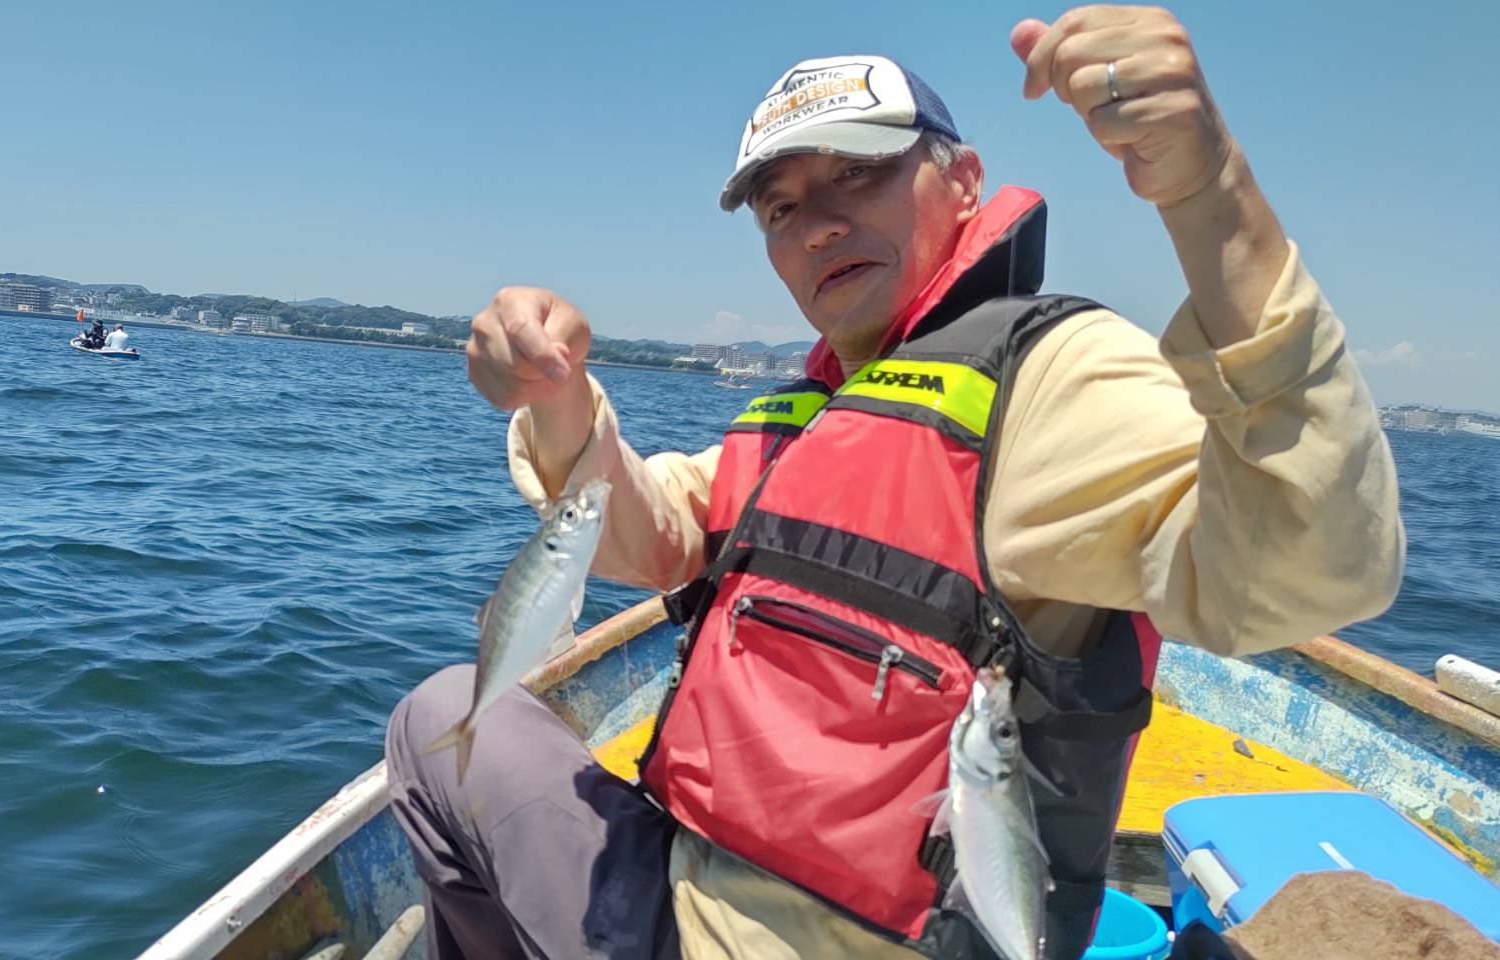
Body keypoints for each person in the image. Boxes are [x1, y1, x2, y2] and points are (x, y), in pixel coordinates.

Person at [388, 8, 1405, 960]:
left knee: (438, 731)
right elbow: (647, 537)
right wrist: (557, 396)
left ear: (963, 182)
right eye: (782, 208)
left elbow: (1315, 571)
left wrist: (1211, 194)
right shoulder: (810, 407)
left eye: (857, 175)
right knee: (438, 716)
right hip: (685, 887)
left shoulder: (1054, 377)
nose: (817, 226)